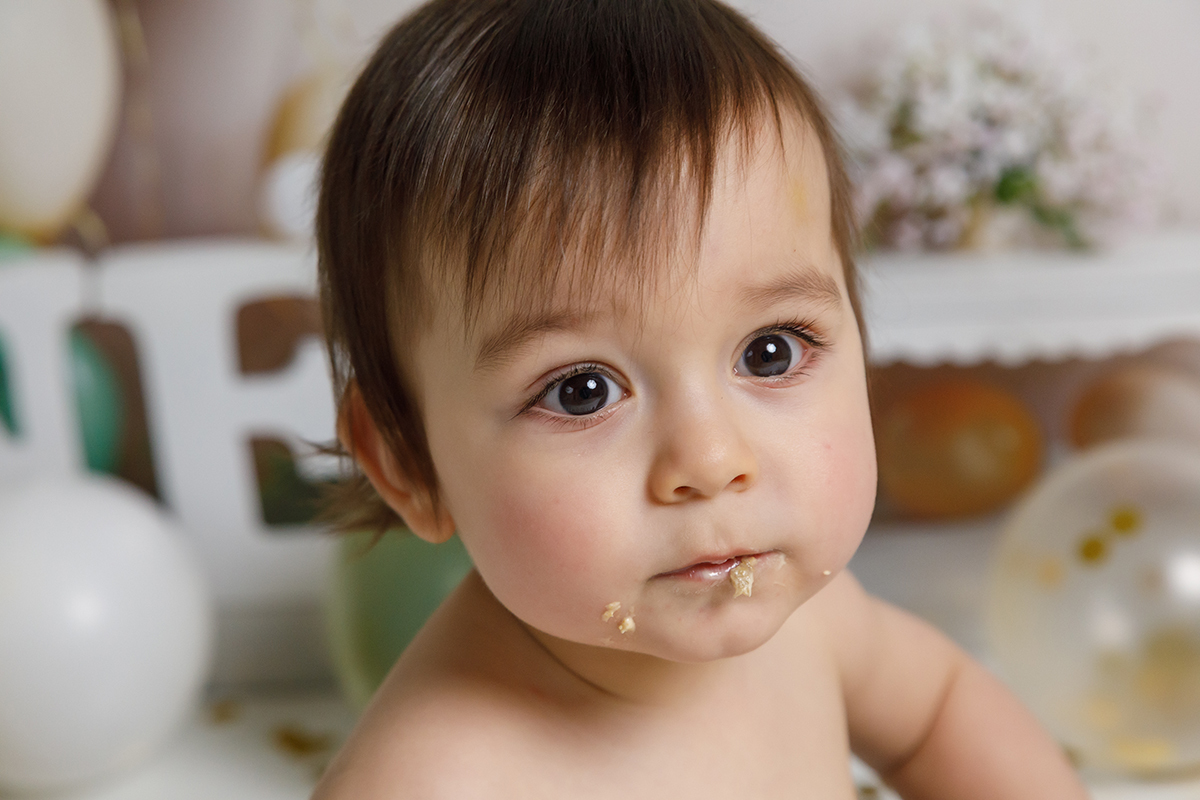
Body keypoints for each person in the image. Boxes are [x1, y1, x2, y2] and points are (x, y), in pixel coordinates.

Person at [311, 1, 1089, 797]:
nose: (713, 461)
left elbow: (939, 712)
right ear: (407, 462)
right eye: (582, 392)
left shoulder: (817, 624)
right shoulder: (438, 779)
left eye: (770, 351)